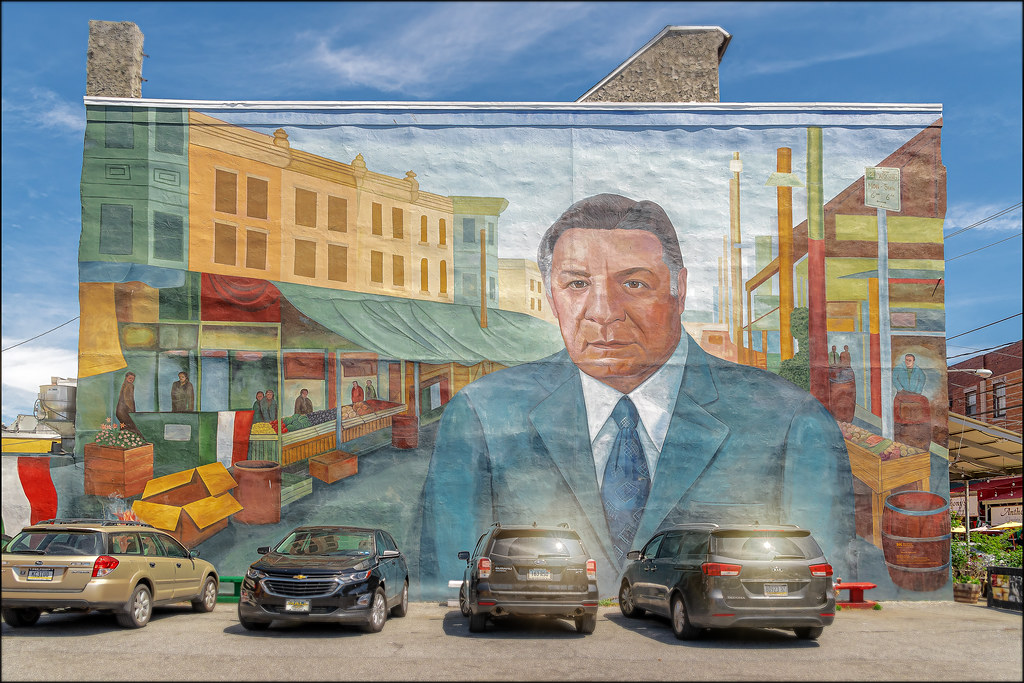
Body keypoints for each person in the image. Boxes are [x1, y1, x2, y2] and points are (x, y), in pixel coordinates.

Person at [420, 193, 856, 598]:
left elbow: (824, 600)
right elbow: (447, 596)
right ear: (552, 296)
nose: (604, 312)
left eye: (634, 284)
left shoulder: (791, 422)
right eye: (576, 284)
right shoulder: (482, 416)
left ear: (678, 289)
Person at [115, 371, 142, 436]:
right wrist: (132, 411)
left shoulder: (124, 385)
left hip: (119, 412)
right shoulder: (130, 385)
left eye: (133, 379)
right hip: (124, 411)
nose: (131, 380)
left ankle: (120, 441)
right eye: (130, 378)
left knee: (124, 427)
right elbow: (129, 399)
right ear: (126, 378)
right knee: (132, 427)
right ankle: (137, 441)